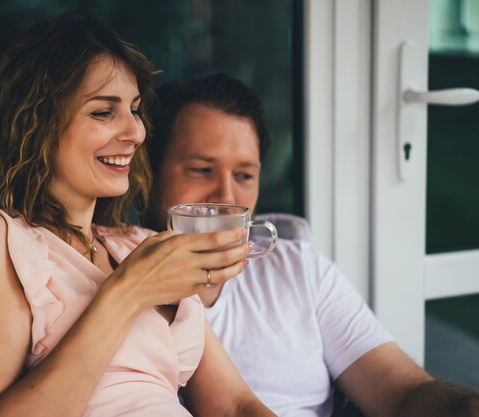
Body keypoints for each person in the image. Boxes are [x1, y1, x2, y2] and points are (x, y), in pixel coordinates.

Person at [0, 13, 278, 417]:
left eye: (135, 110)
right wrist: (129, 291)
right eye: (103, 112)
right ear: (36, 122)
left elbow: (236, 407)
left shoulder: (136, 242)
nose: (135, 132)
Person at [145, 73, 479, 417]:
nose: (228, 199)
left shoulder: (299, 268)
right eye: (202, 170)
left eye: (244, 176)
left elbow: (404, 390)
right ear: (150, 175)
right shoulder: (119, 284)